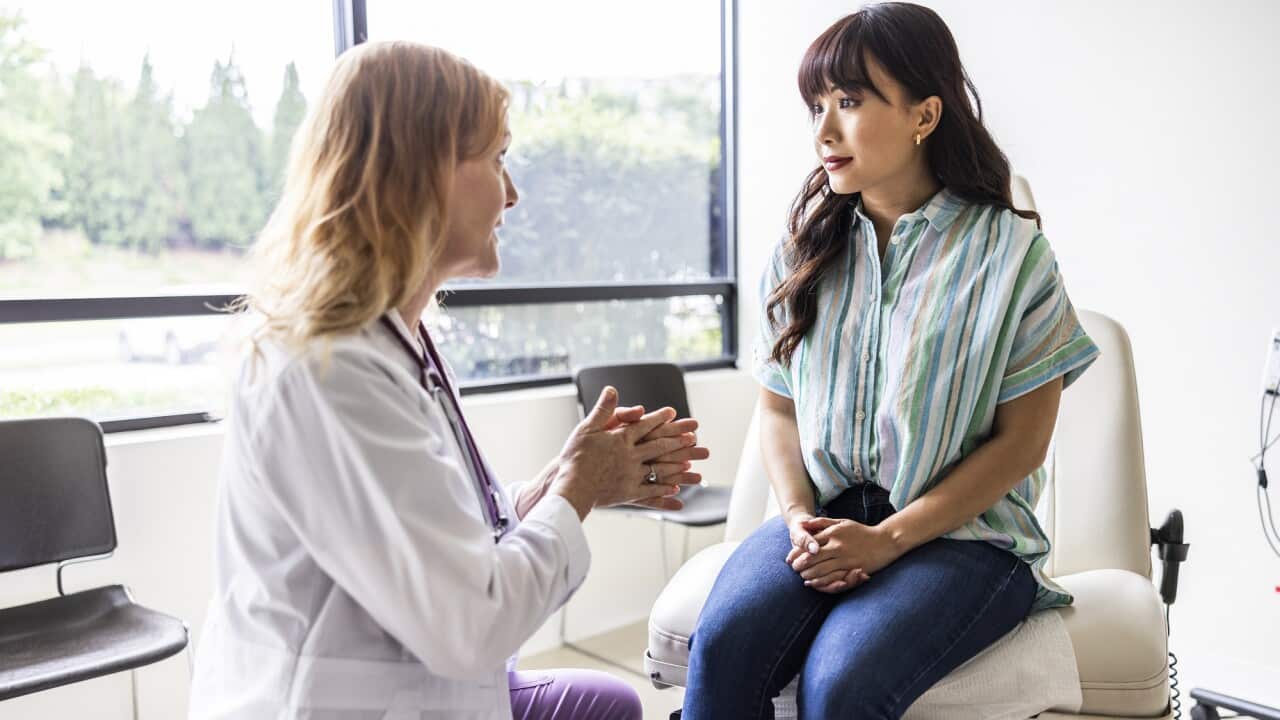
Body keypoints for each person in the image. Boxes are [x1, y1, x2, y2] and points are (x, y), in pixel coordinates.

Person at [188, 40, 709, 720]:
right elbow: (471, 626)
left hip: (431, 687)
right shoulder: (330, 370)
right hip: (343, 703)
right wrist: (579, 490)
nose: (513, 194)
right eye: (496, 159)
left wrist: (551, 486)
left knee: (607, 703)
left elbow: (451, 528)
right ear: (419, 172)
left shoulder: (397, 336)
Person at [681, 4, 1100, 719]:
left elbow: (1023, 443)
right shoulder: (800, 253)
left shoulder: (1012, 256)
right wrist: (798, 518)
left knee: (844, 684)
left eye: (848, 102)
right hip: (823, 516)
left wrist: (886, 541)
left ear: (924, 115)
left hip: (969, 539)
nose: (823, 130)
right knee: (722, 647)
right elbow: (777, 408)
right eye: (817, 105)